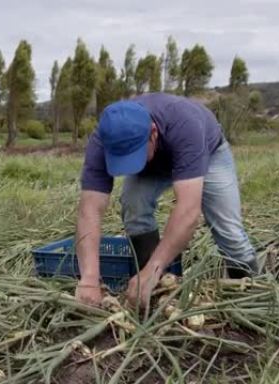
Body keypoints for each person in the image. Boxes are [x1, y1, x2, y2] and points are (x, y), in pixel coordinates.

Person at [74, 92, 259, 308]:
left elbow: (189, 211)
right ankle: (157, 293)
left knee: (230, 232)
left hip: (208, 153)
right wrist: (89, 278)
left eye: (133, 155)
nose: (126, 167)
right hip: (154, 163)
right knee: (134, 206)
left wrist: (154, 268)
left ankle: (248, 297)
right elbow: (90, 210)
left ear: (152, 133)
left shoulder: (185, 125)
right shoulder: (103, 139)